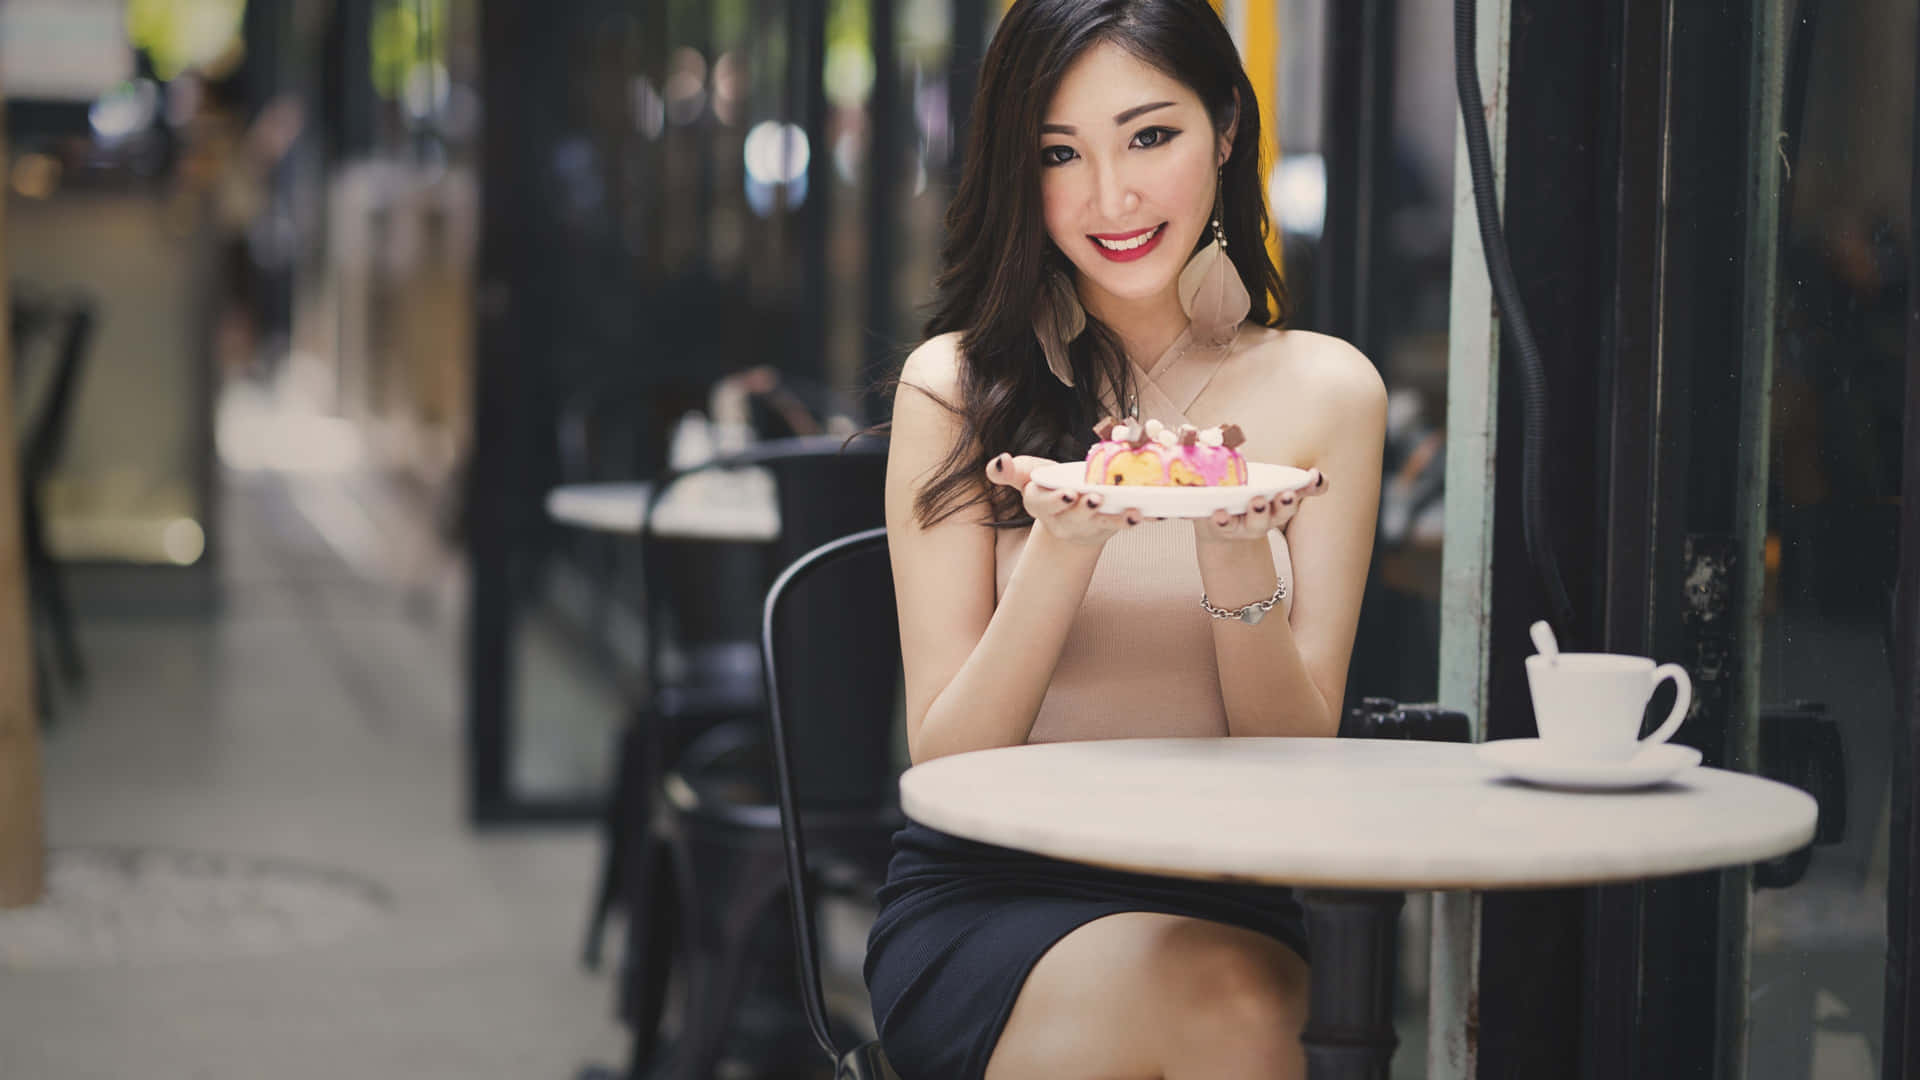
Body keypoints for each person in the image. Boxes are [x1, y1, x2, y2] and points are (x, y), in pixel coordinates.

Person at [862, 1, 1387, 1077]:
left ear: (1228, 127)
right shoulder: (958, 388)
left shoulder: (1328, 391)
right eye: (1062, 152)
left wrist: (1238, 556)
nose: (1112, 198)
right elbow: (947, 760)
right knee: (1235, 1012)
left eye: (1151, 134)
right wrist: (1060, 550)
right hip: (994, 891)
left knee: (1240, 993)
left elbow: (1296, 754)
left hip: (1229, 892)